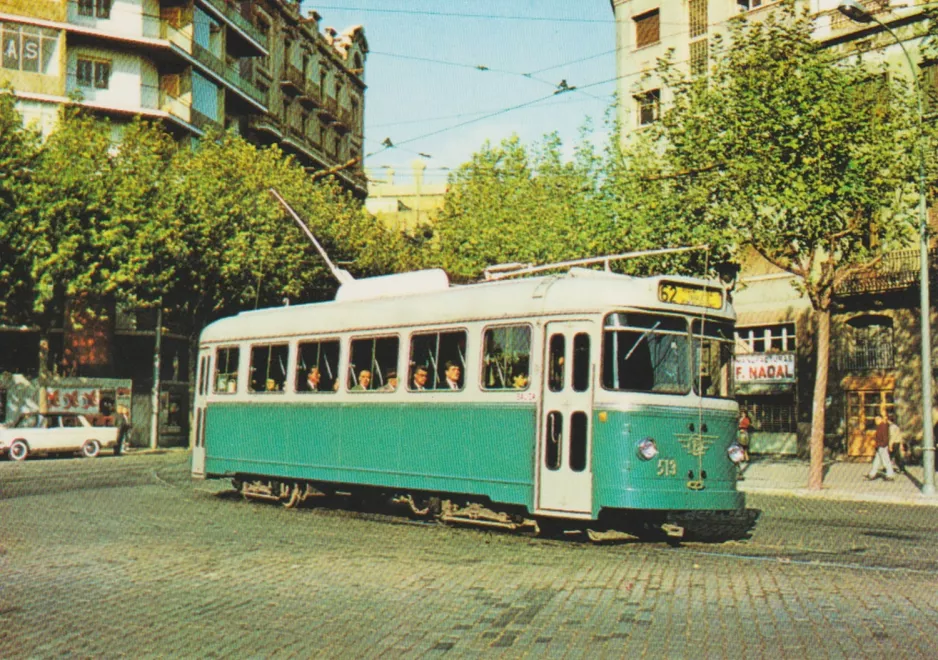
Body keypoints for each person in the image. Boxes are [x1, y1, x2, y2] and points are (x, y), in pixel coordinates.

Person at [866, 414, 895, 481]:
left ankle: (890, 475)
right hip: (880, 446)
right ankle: (872, 474)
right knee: (877, 461)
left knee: (886, 461)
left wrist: (880, 445)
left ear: (881, 419)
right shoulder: (880, 426)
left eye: (877, 419)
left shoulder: (883, 427)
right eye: (875, 419)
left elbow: (885, 438)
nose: (876, 421)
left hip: (882, 446)